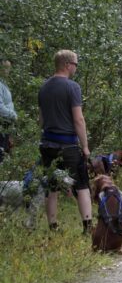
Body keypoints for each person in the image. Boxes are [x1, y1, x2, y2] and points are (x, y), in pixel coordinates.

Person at [37, 50, 92, 233]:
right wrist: (85, 146)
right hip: (68, 144)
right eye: (75, 64)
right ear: (68, 65)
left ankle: (53, 227)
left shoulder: (44, 87)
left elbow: (41, 120)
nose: (76, 67)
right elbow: (78, 119)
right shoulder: (72, 87)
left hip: (47, 143)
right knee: (81, 184)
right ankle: (87, 227)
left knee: (52, 185)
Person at [0, 58, 17, 163]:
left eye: (9, 68)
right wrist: (13, 115)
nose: (8, 70)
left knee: (4, 153)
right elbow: (0, 108)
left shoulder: (3, 84)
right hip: (1, 124)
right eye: (6, 68)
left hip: (6, 125)